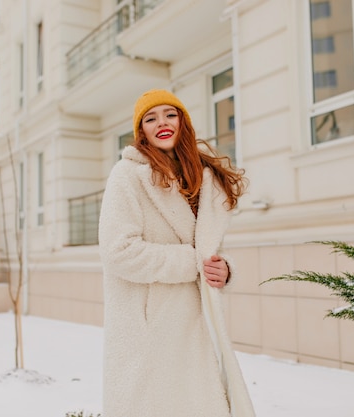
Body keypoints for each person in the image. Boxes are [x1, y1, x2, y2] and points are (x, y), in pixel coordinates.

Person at [98, 89, 256, 417]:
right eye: (151, 118)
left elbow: (209, 247)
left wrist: (224, 268)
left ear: (182, 122)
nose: (162, 123)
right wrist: (191, 263)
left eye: (170, 114)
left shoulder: (203, 177)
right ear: (141, 131)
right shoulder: (127, 176)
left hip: (198, 323)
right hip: (151, 328)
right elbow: (119, 252)